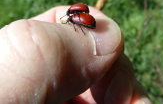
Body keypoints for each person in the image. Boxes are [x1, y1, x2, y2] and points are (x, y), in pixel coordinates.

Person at [0, 6, 152, 104]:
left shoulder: (73, 17)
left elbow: (79, 21)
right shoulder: (74, 16)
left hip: (89, 22)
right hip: (89, 21)